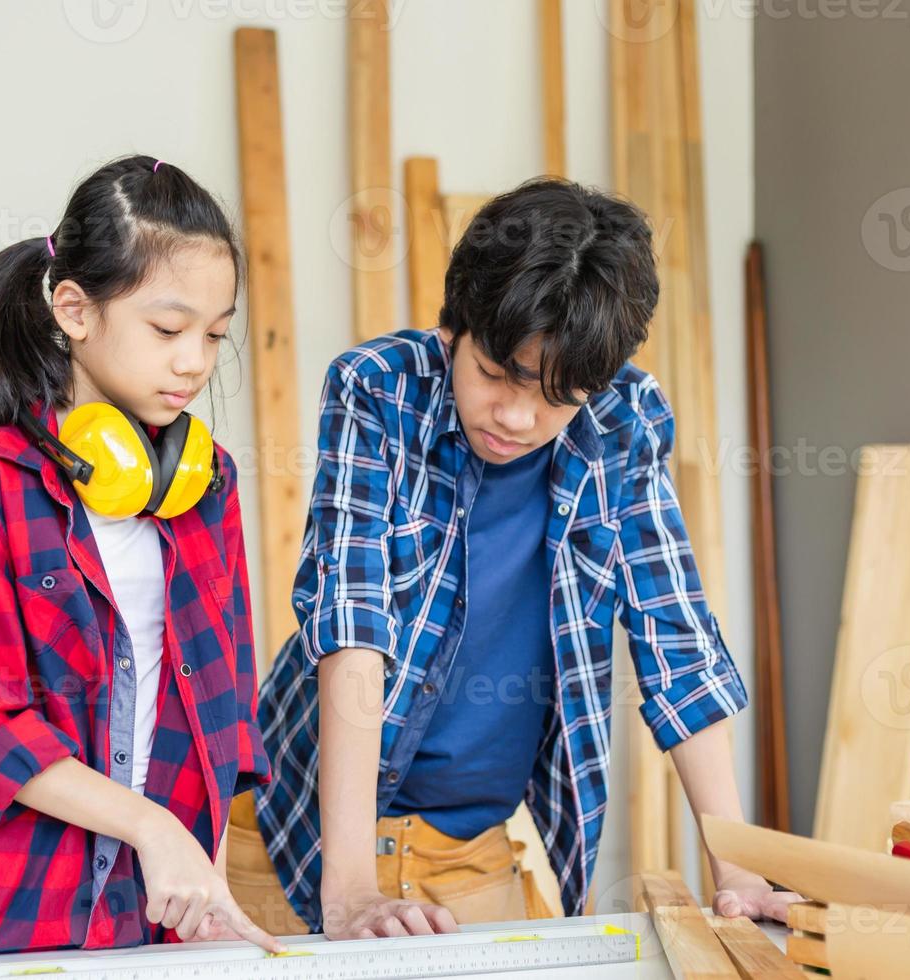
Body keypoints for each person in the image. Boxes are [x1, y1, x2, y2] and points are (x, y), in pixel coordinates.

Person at [228, 177, 798, 939]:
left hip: (470, 857)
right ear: (455, 328)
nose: (519, 417)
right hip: (297, 842)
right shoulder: (380, 391)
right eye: (497, 375)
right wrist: (352, 890)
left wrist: (737, 867)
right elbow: (351, 624)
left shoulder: (624, 423)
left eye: (558, 398)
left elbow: (678, 640)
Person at [0, 155, 282, 957]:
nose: (196, 362)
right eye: (168, 329)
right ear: (75, 310)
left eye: (216, 335)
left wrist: (201, 886)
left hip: (160, 924)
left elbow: (224, 713)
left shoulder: (208, 485)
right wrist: (152, 828)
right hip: (18, 927)